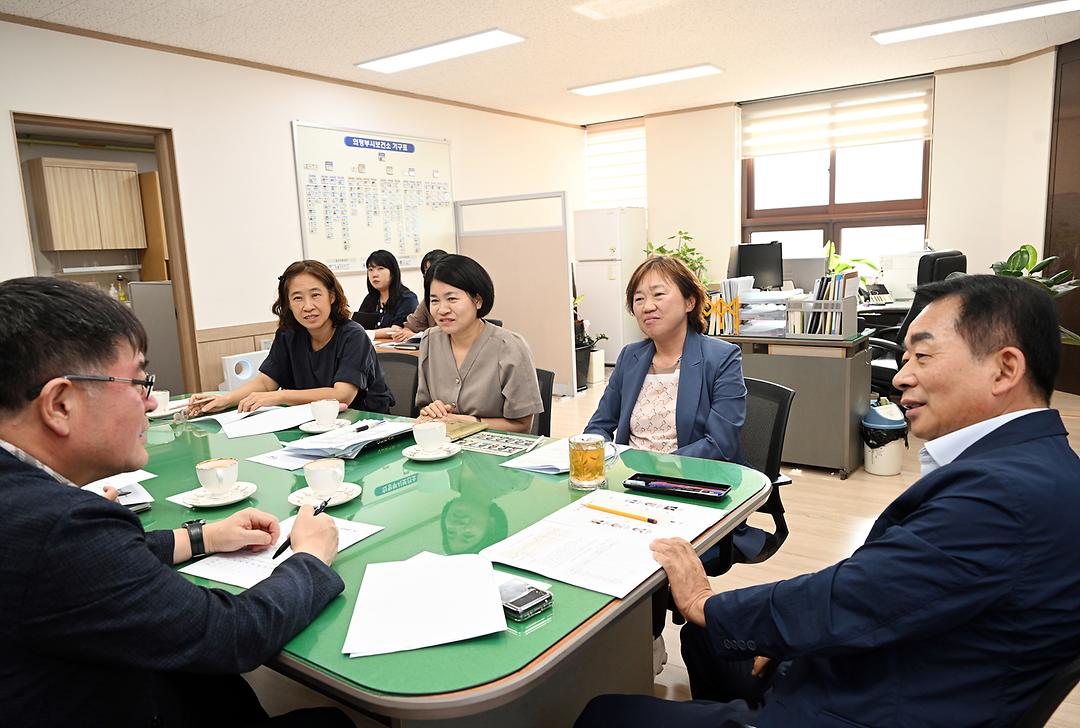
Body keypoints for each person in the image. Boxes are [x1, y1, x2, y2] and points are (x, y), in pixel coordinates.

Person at [577, 274, 1080, 727]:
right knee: (707, 639)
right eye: (905, 359)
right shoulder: (1029, 466)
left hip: (857, 703)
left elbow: (855, 598)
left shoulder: (1006, 495)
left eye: (922, 356)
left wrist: (709, 604)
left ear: (1004, 368)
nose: (901, 376)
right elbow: (883, 592)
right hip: (885, 659)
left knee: (603, 712)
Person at [0, 277, 349, 727]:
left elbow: (97, 567)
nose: (149, 404)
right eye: (138, 382)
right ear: (60, 404)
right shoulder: (57, 528)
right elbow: (230, 635)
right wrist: (309, 558)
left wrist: (202, 536)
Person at [585, 255, 745, 461]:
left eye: (658, 294)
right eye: (639, 299)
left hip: (691, 479)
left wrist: (658, 469)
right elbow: (598, 426)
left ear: (690, 302)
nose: (647, 307)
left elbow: (721, 444)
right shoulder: (629, 356)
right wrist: (606, 457)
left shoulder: (723, 357)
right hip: (628, 479)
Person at [187, 259, 393, 416]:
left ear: (331, 296)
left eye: (315, 295)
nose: (308, 306)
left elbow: (342, 395)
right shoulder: (289, 335)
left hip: (364, 425)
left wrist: (280, 396)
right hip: (311, 426)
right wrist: (227, 399)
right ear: (288, 303)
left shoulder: (353, 335)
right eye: (297, 298)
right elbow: (267, 382)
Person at [415, 254, 543, 434]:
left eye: (452, 299)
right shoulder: (430, 340)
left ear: (478, 300)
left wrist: (465, 421)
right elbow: (424, 407)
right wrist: (432, 410)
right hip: (443, 449)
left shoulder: (510, 347)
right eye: (434, 300)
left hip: (494, 454)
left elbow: (523, 426)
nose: (442, 309)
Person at [355, 249, 419, 336]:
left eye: (380, 268)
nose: (374, 274)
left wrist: (365, 333)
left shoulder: (407, 298)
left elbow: (396, 330)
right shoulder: (370, 299)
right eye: (370, 269)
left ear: (392, 272)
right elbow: (359, 326)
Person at [389, 248, 448, 342]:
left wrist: (419, 336)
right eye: (426, 272)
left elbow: (450, 333)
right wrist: (403, 334)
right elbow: (409, 327)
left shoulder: (407, 297)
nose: (430, 276)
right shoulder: (427, 301)